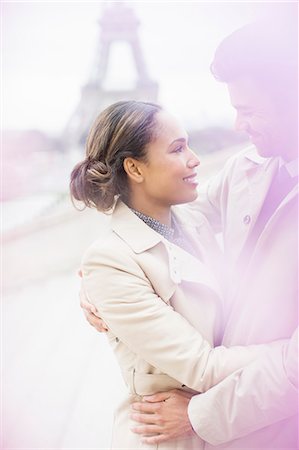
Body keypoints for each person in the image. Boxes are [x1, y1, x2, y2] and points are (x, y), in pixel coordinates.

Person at [81, 19, 298, 449]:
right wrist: (98, 279)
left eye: (250, 110)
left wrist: (201, 415)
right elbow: (157, 223)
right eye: (178, 147)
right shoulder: (244, 172)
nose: (238, 125)